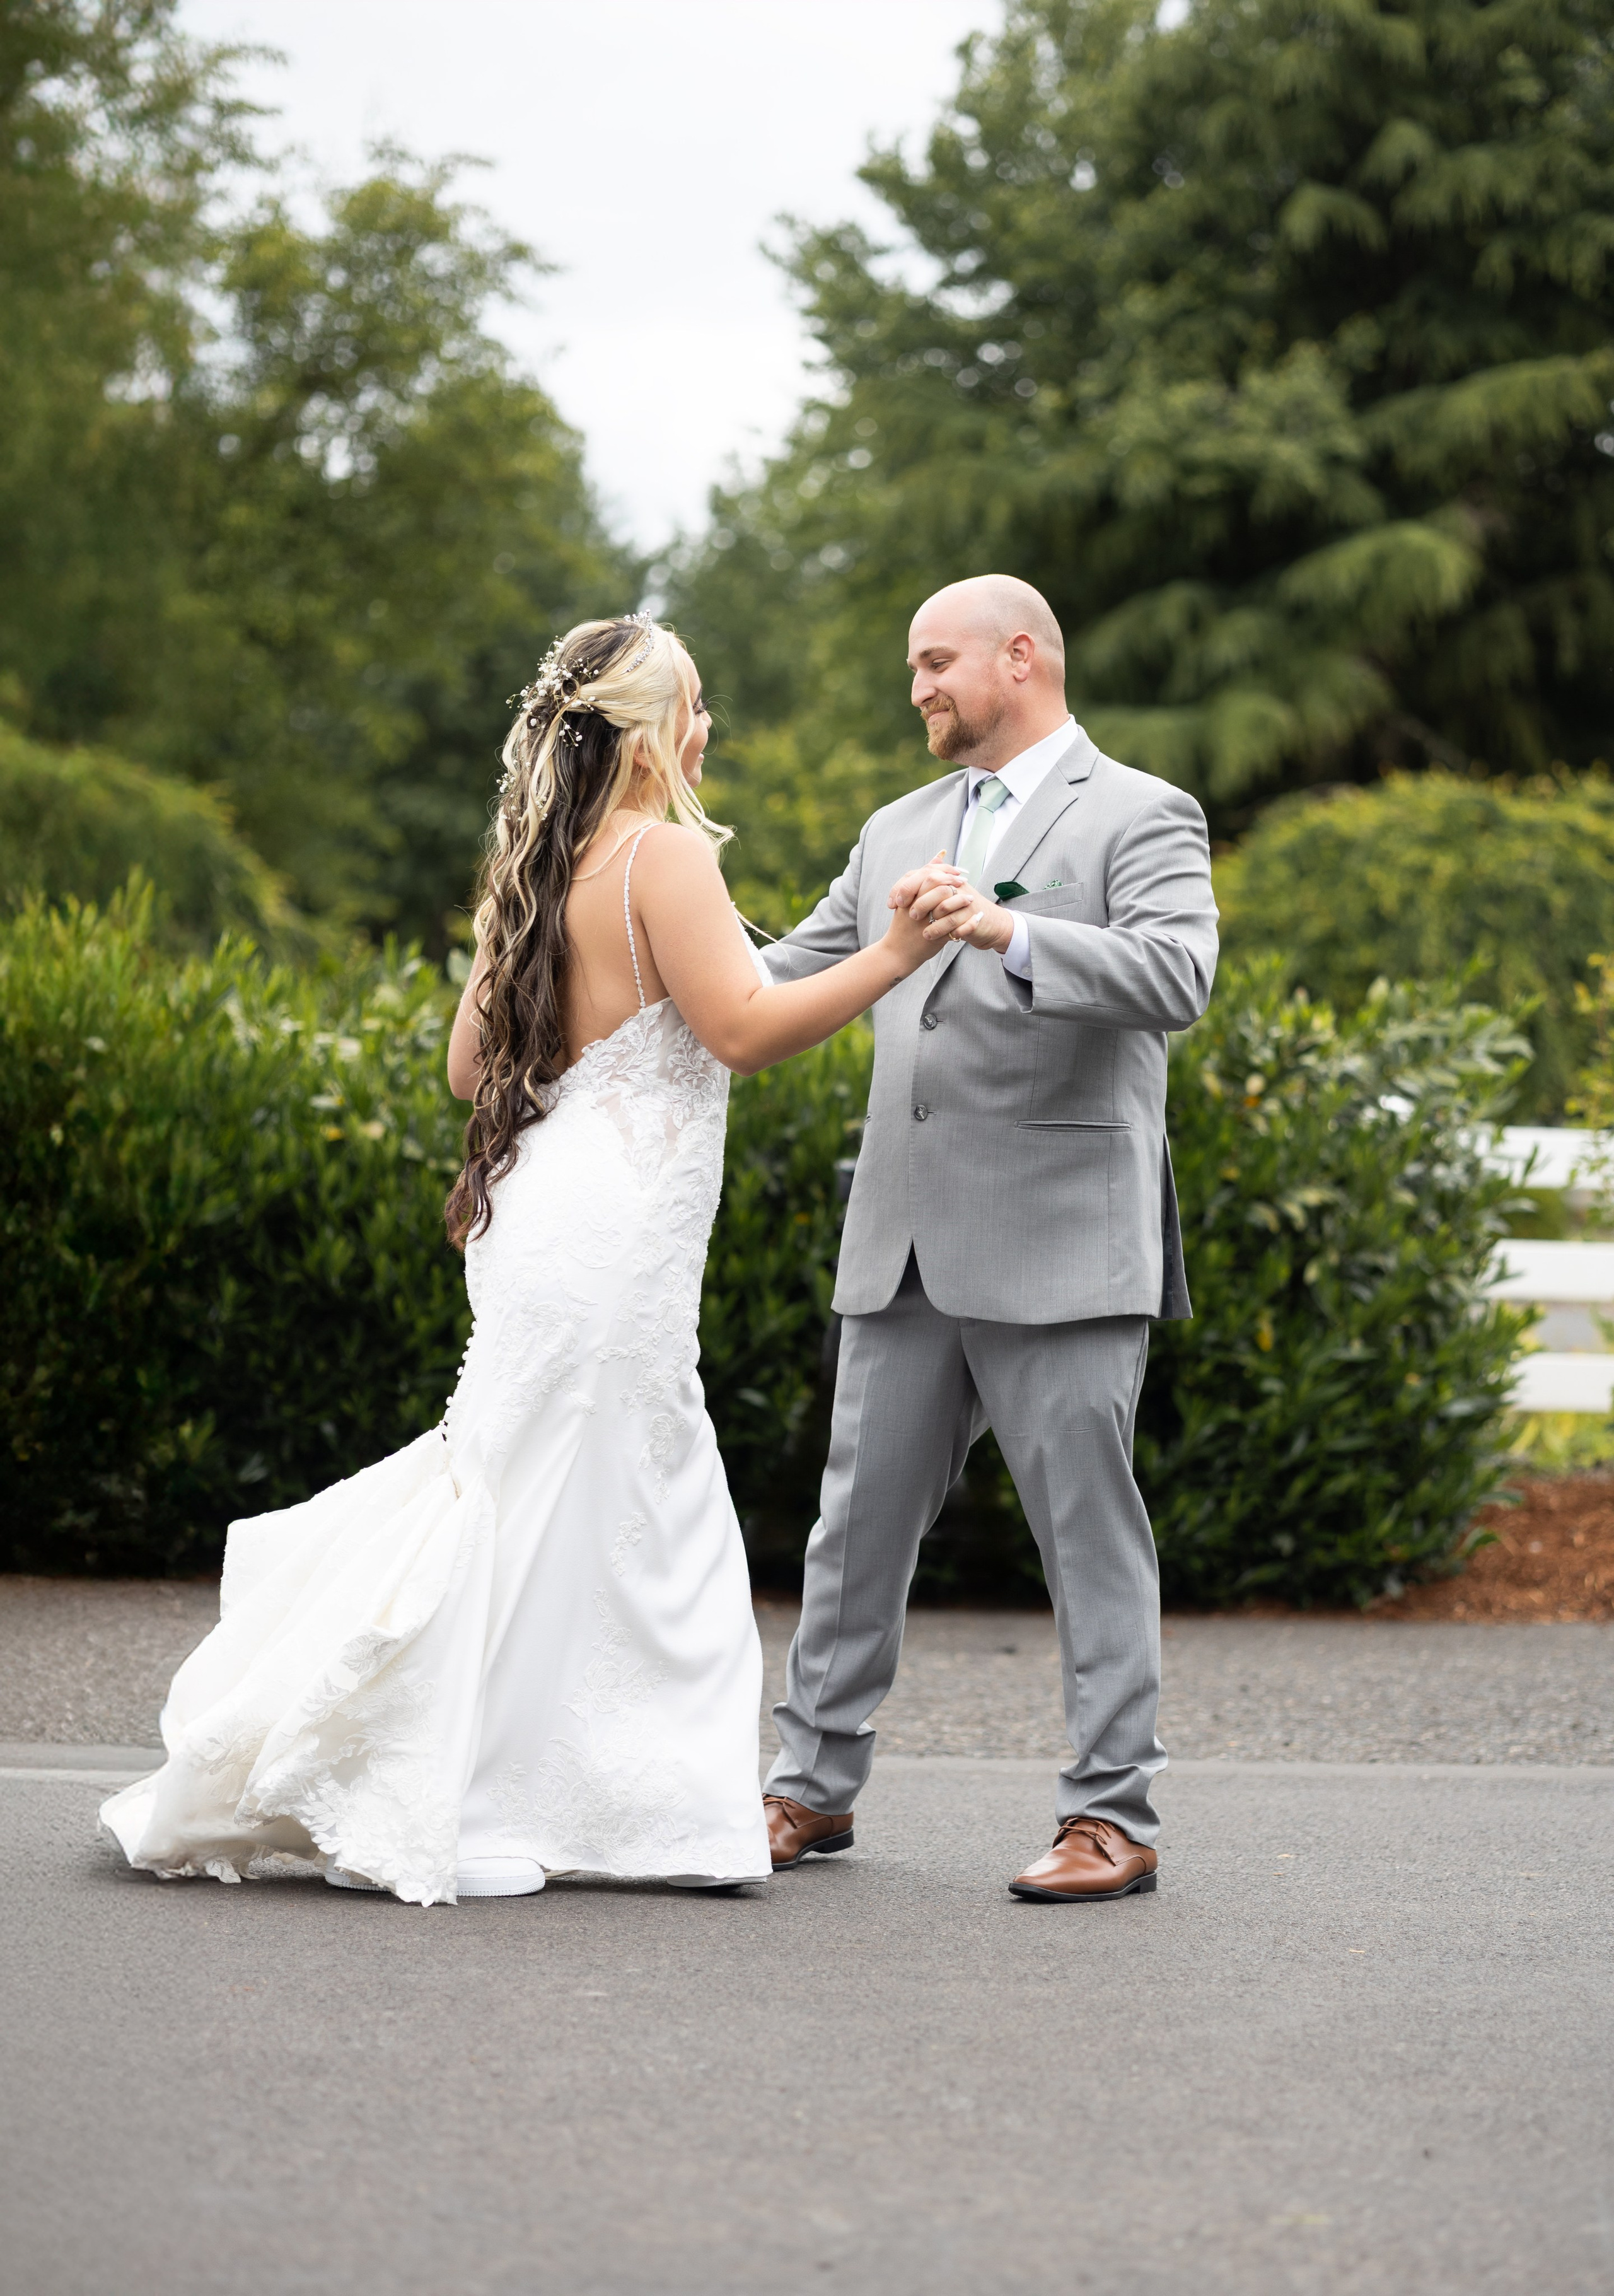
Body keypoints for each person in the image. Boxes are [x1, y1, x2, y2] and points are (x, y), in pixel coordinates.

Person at [102, 614, 941, 1906]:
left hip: (544, 1217)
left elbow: (462, 1070)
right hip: (613, 1242)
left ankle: (544, 1786)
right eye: (697, 706)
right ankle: (614, 1804)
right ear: (654, 729)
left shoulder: (543, 871)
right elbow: (742, 1027)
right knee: (616, 1496)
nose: (709, 729)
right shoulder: (662, 858)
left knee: (538, 1486)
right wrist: (894, 955)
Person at [759, 573, 1219, 1903]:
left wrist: (1010, 927)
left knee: (1088, 1535)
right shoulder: (893, 826)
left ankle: (1108, 1821)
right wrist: (646, 905)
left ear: (1018, 658)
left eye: (933, 663)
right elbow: (787, 975)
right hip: (898, 1244)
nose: (916, 690)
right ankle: (808, 1791)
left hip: (1065, 1245)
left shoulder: (1141, 811)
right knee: (849, 1536)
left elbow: (1175, 977)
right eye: (912, 668)